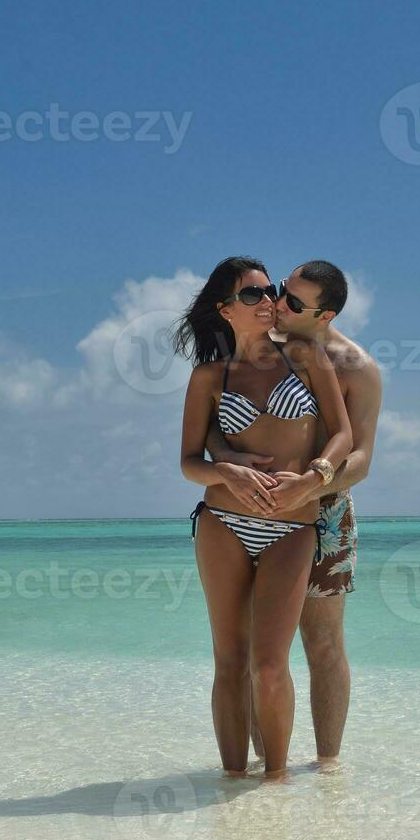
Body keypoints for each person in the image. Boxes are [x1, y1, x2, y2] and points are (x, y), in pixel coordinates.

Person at [176, 256, 352, 781]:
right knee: (229, 664)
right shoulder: (210, 376)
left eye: (269, 290)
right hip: (222, 525)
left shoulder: (306, 358)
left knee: (269, 666)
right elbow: (188, 464)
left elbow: (343, 437)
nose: (268, 300)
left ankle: (275, 789)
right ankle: (232, 788)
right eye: (251, 295)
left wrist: (315, 477)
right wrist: (225, 473)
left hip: (293, 527)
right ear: (225, 309)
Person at [206, 259, 381, 767]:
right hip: (257, 510)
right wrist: (228, 460)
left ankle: (328, 769)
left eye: (295, 304)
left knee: (323, 642)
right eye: (282, 292)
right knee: (261, 651)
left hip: (323, 514)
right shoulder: (263, 348)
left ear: (323, 316)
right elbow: (216, 417)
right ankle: (263, 769)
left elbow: (362, 458)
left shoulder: (356, 367)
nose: (279, 305)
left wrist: (313, 483)